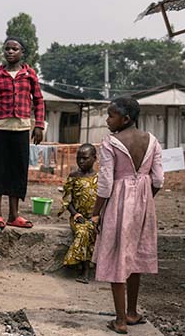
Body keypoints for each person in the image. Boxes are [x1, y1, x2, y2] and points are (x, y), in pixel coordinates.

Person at [91, 97, 163, 334]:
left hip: (118, 203)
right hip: (144, 204)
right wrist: (145, 197)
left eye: (111, 115)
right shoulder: (152, 141)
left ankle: (120, 320)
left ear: (126, 119)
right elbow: (159, 179)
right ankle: (132, 312)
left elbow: (105, 184)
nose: (107, 120)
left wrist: (96, 213)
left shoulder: (110, 143)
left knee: (117, 258)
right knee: (134, 257)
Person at [0, 37, 45, 229]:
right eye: (7, 49)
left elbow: (39, 101)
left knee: (17, 170)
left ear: (22, 52)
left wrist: (39, 125)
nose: (10, 52)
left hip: (21, 128)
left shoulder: (29, 74)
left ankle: (14, 215)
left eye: (14, 49)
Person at [57, 143, 98, 283]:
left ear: (94, 158)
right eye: (78, 158)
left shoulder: (100, 178)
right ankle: (84, 269)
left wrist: (97, 217)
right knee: (83, 231)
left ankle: (78, 263)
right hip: (78, 217)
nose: (81, 161)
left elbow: (104, 199)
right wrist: (76, 214)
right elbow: (67, 200)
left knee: (92, 229)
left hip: (95, 217)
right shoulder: (73, 177)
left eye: (85, 158)